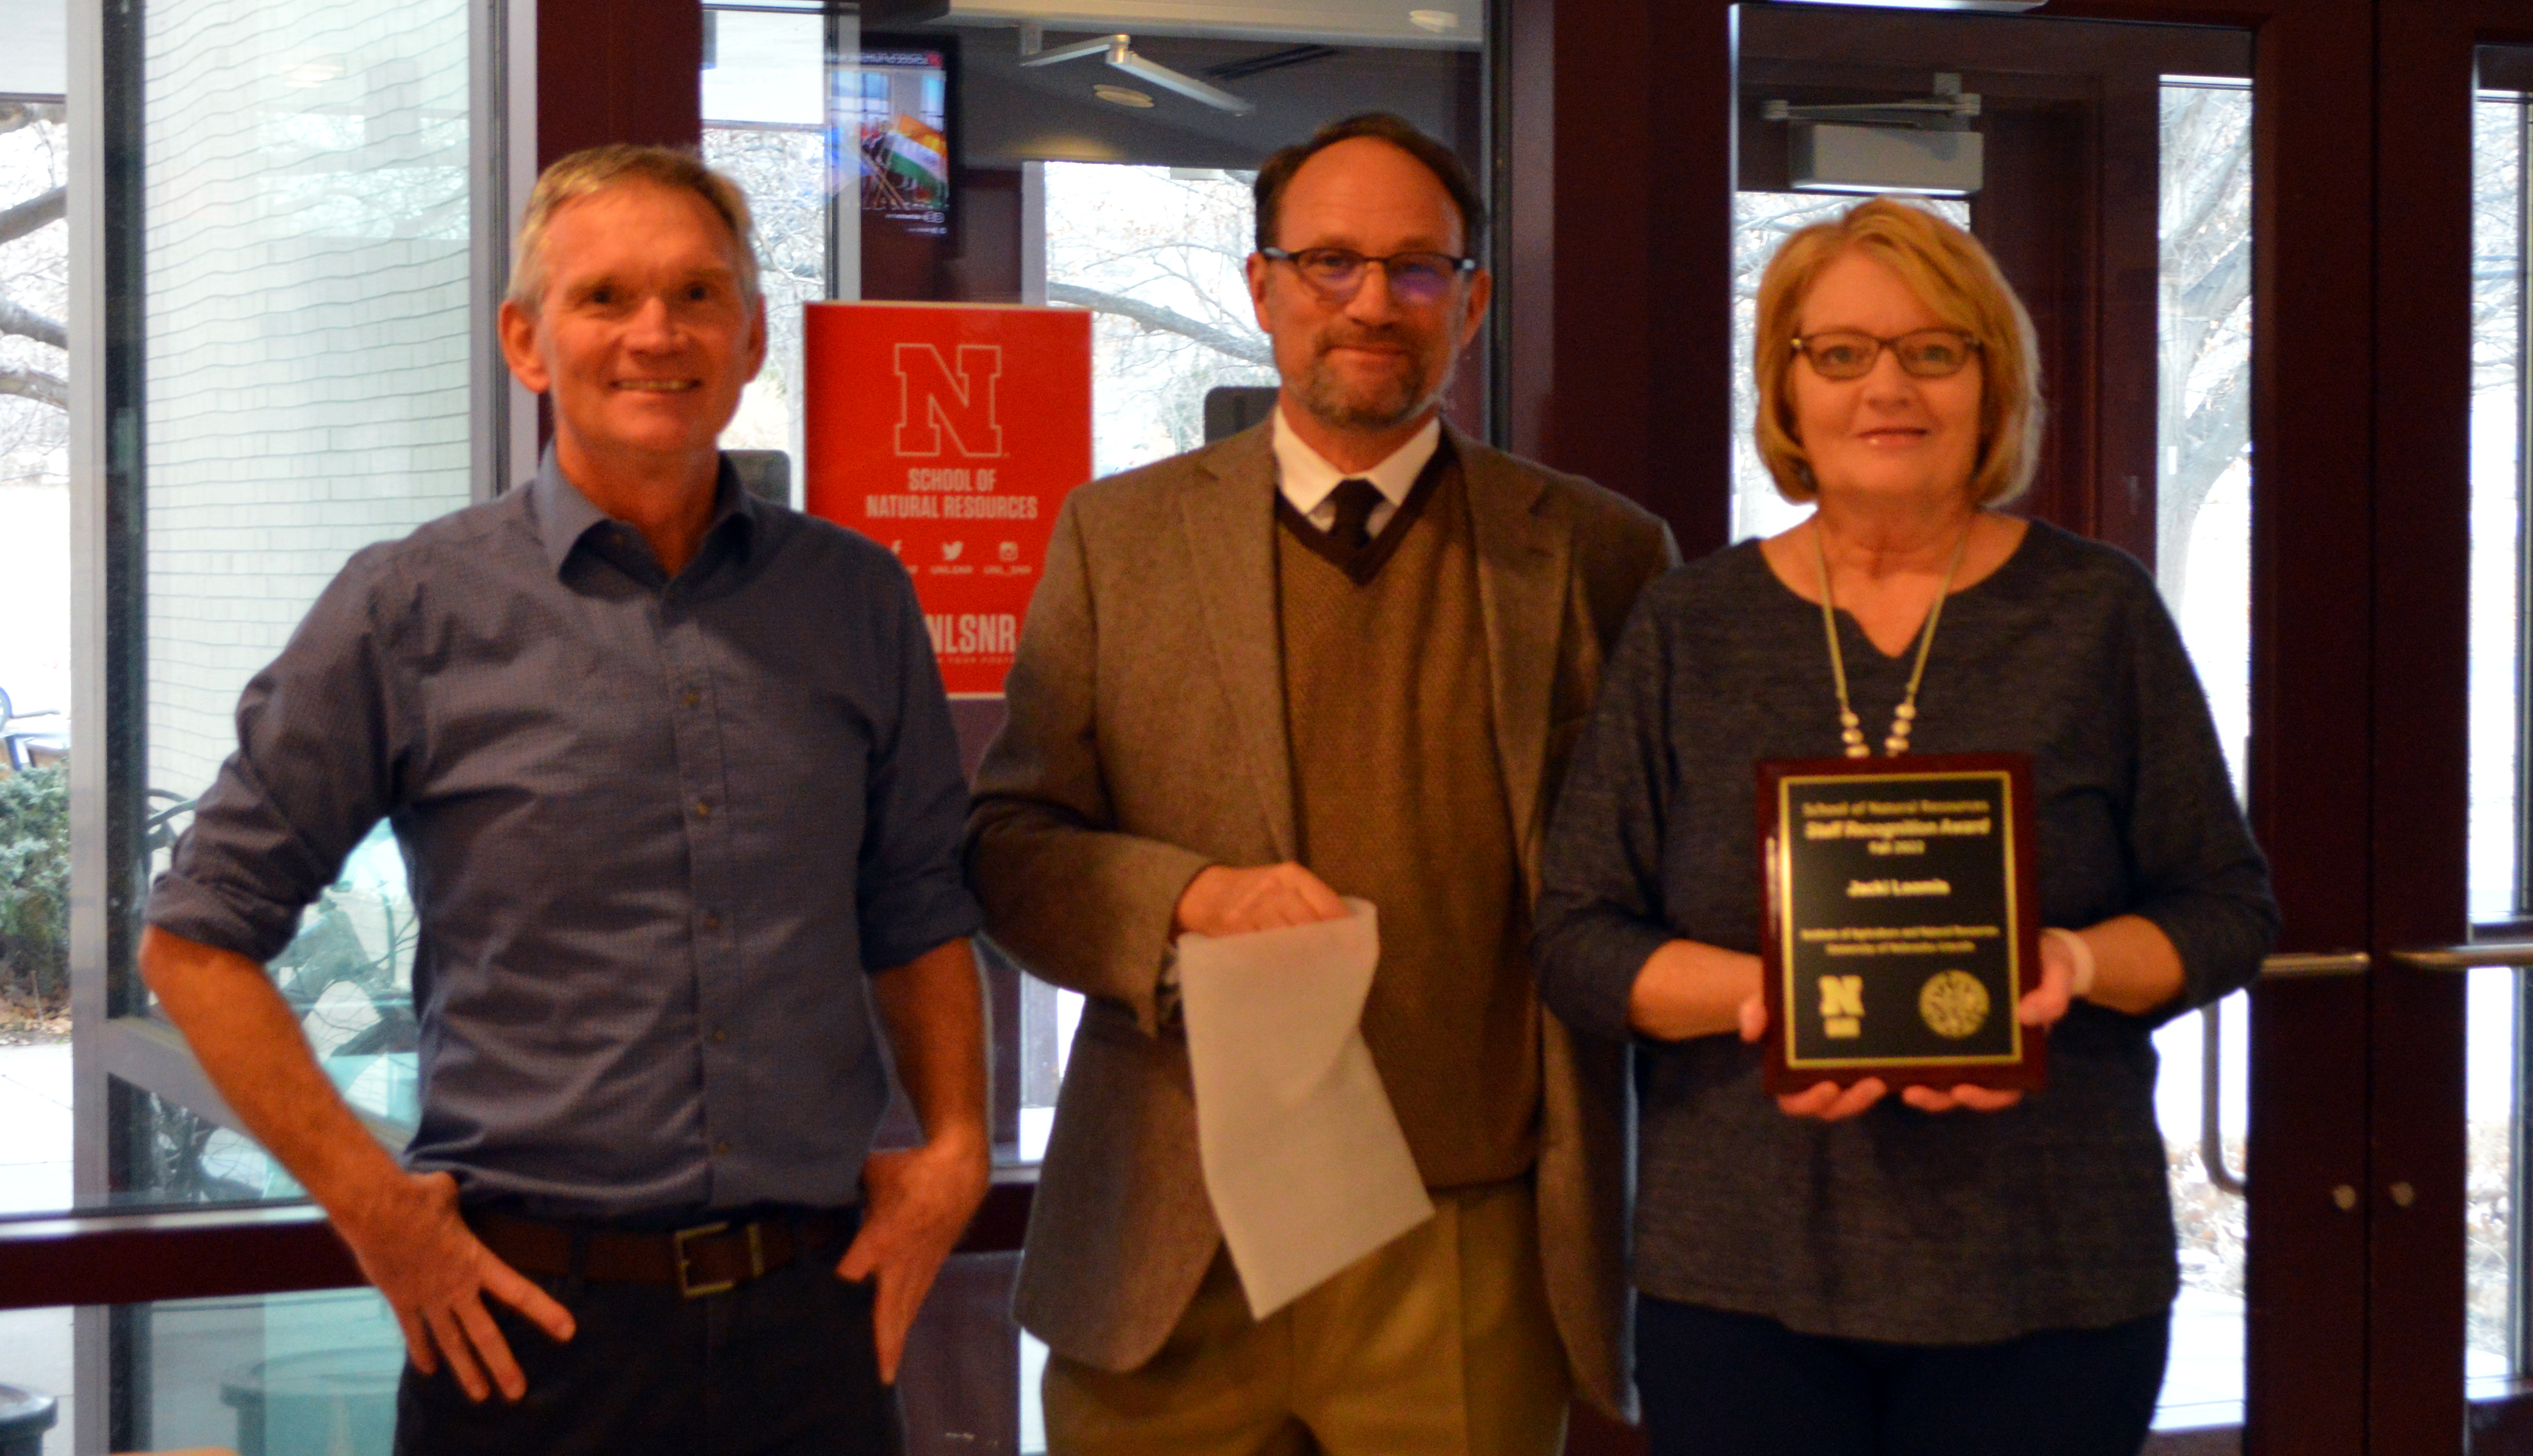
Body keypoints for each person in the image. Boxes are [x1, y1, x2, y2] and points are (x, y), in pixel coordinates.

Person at [139, 144, 988, 1455]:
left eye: (698, 296)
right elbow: (196, 938)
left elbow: (917, 904)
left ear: (752, 335)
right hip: (530, 1336)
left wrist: (955, 1150)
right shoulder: (412, 608)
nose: (658, 334)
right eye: (606, 299)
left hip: (813, 1327)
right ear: (527, 342)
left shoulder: (857, 598)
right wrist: (371, 1204)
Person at [967, 112, 1675, 1455]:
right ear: (1263, 286)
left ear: (1469, 301)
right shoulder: (1119, 538)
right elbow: (1009, 845)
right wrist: (1184, 904)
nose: (1371, 303)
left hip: (1465, 1245)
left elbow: (1657, 872)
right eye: (1330, 263)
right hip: (1175, 1246)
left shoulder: (1600, 553)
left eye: (1417, 270)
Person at [1532, 197, 2279, 1456]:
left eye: (1934, 350)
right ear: (1788, 388)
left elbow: (2227, 909)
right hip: (1740, 1273)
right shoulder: (1690, 625)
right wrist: (1771, 996)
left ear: (1992, 384)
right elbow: (1575, 936)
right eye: (1841, 353)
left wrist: (2073, 964)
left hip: (2051, 1271)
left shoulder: (2096, 612)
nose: (1888, 387)